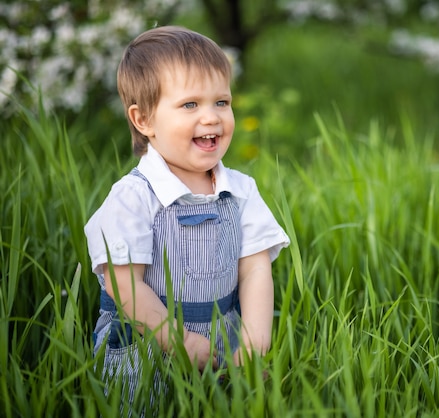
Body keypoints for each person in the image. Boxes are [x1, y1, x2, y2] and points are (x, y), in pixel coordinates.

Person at [84, 25, 290, 412]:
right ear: (143, 119)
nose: (211, 118)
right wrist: (175, 337)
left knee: (223, 406)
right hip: (143, 346)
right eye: (190, 105)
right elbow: (122, 283)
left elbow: (255, 269)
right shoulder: (133, 198)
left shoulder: (240, 191)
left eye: (222, 102)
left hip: (222, 344)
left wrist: (253, 340)